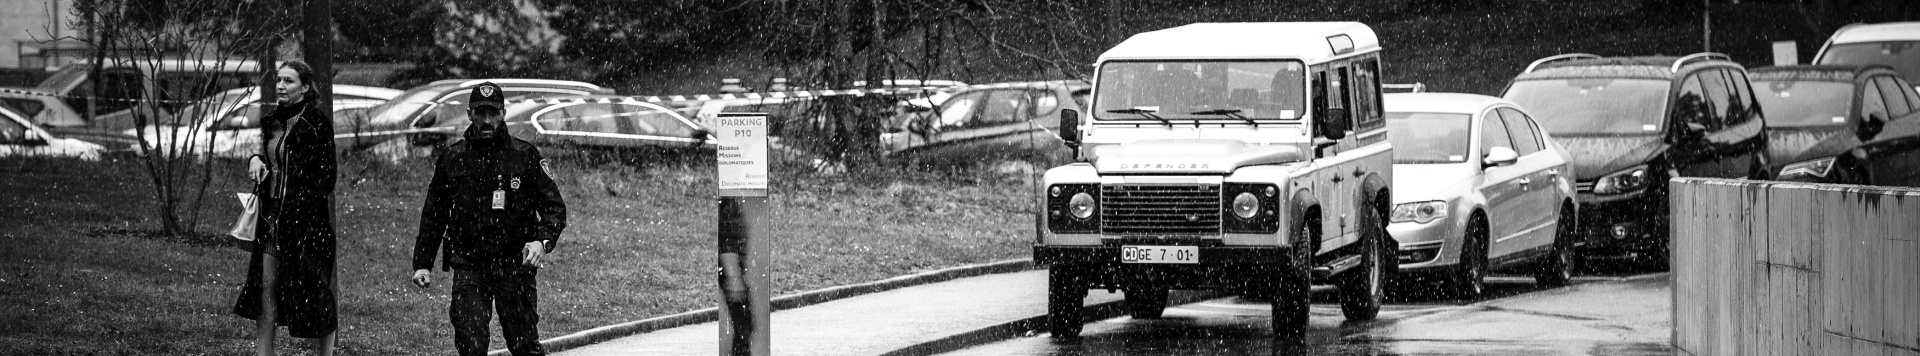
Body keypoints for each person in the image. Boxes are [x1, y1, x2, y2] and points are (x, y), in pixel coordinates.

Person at [410, 82, 568, 356]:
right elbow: (433, 214)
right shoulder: (453, 158)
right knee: (470, 345)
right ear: (469, 113)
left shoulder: (524, 155)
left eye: (493, 113)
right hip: (470, 264)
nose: (487, 120)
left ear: (504, 113)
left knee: (524, 346)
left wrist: (542, 242)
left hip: (514, 265)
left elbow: (555, 207)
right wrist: (423, 264)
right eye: (481, 113)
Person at [232, 60, 338, 356]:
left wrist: (300, 206)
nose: (281, 85)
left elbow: (327, 177)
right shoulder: (272, 121)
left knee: (314, 292)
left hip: (307, 224)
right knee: (265, 287)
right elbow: (270, 156)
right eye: (279, 80)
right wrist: (255, 158)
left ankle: (325, 354)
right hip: (271, 219)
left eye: (289, 81)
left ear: (305, 87)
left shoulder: (317, 123)